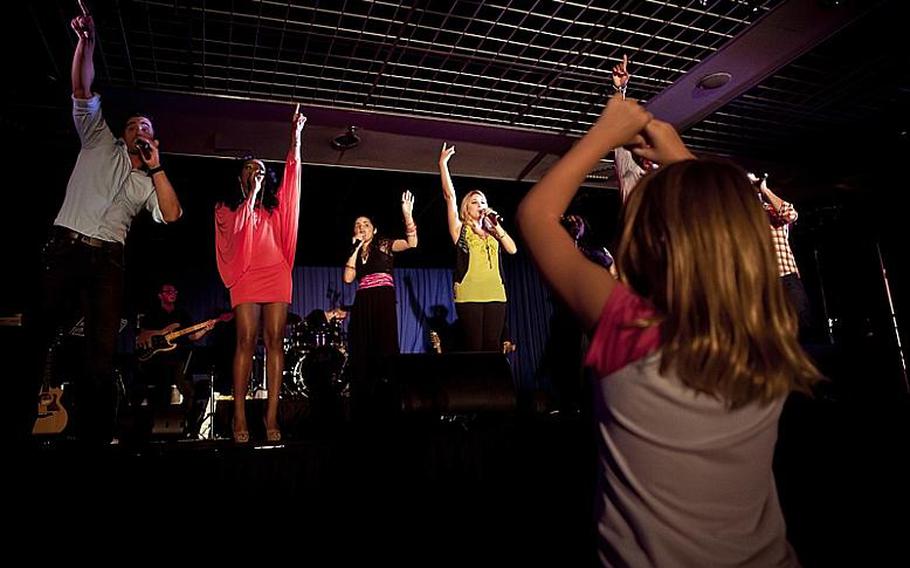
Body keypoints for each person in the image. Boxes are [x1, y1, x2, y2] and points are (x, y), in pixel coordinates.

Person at [517, 94, 820, 566]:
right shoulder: (764, 328)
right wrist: (676, 149)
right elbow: (729, 224)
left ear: (644, 239)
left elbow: (536, 217)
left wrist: (604, 134)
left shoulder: (629, 327)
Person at [28, 11, 182, 444]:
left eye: (146, 127)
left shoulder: (150, 181)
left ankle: (93, 443)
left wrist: (158, 168)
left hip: (108, 261)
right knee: (38, 337)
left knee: (101, 356)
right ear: (123, 130)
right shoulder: (97, 138)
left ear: (154, 140)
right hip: (64, 248)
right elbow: (82, 87)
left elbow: (172, 215)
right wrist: (87, 43)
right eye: (133, 124)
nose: (138, 128)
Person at [215, 107, 306, 443]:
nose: (256, 172)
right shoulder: (226, 207)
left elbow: (294, 184)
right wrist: (250, 197)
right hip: (246, 275)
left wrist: (295, 141)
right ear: (240, 177)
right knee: (245, 341)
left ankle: (271, 415)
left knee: (274, 342)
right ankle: (239, 414)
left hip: (277, 274)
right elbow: (235, 233)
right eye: (249, 169)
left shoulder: (275, 209)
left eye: (261, 170)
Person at [342, 192, 418, 417]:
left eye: (366, 224)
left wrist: (407, 215)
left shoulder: (384, 244)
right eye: (358, 225)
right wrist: (354, 249)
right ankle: (363, 404)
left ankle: (390, 401)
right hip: (363, 301)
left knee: (384, 348)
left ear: (374, 230)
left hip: (383, 298)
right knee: (361, 350)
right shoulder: (355, 252)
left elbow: (412, 243)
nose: (362, 227)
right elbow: (347, 279)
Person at [438, 143, 518, 351]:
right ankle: (474, 384)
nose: (480, 205)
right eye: (475, 202)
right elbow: (450, 197)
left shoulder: (494, 230)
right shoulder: (460, 230)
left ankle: (493, 385)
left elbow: (512, 249)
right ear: (466, 207)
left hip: (496, 293)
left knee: (493, 346)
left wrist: (497, 228)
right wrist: (443, 165)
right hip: (469, 293)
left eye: (483, 202)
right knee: (474, 346)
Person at [134, 283, 214, 436]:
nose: (173, 293)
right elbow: (142, 335)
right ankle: (156, 429)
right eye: (168, 291)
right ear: (160, 295)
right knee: (161, 393)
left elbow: (193, 336)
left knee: (189, 392)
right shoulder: (152, 314)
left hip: (178, 360)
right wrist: (161, 332)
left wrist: (205, 328)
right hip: (158, 361)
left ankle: (186, 426)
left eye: (174, 291)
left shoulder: (182, 314)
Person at [750, 173, 812, 339]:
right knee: (766, 328)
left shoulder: (771, 210)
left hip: (786, 276)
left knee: (800, 323)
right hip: (760, 279)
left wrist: (764, 190)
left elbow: (790, 215)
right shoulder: (742, 212)